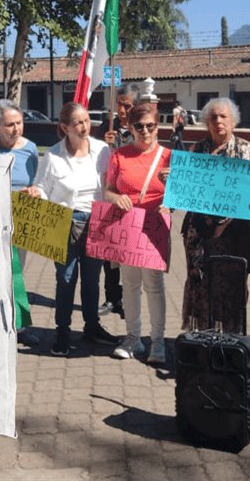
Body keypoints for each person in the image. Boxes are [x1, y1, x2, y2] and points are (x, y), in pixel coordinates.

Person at [23, 102, 119, 356]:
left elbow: (112, 182)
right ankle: (62, 332)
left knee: (91, 279)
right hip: (63, 221)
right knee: (65, 280)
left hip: (97, 220)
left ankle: (91, 326)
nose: (84, 126)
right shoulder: (53, 155)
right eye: (78, 122)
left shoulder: (102, 150)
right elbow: (42, 187)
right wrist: (36, 192)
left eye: (87, 121)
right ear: (65, 127)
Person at [180, 97, 250, 333]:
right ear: (206, 121)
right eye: (213, 117)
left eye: (223, 116)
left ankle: (230, 337)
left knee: (232, 285)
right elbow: (186, 187)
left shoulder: (248, 151)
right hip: (200, 233)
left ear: (233, 121)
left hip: (234, 232)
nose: (218, 121)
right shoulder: (196, 150)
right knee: (200, 282)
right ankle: (201, 337)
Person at [104, 103, 171, 363]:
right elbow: (108, 189)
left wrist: (171, 196)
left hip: (155, 226)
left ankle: (157, 341)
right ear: (130, 127)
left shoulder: (168, 156)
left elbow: (182, 195)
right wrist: (115, 199)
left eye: (150, 126)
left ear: (158, 126)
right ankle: (133, 338)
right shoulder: (119, 155)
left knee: (153, 285)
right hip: (127, 225)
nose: (145, 131)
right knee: (130, 284)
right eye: (139, 126)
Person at [0, 99, 39, 347]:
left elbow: (35, 181)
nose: (16, 129)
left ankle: (17, 325)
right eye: (10, 124)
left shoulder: (30, 148)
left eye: (19, 123)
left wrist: (33, 191)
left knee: (15, 272)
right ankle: (8, 323)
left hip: (21, 219)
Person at [97, 83, 141, 319]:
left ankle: (130, 297)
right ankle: (111, 298)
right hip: (111, 197)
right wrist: (104, 142)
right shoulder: (107, 127)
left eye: (128, 106)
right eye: (120, 105)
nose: (122, 111)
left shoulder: (141, 128)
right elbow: (94, 158)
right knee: (109, 253)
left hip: (135, 201)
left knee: (130, 254)